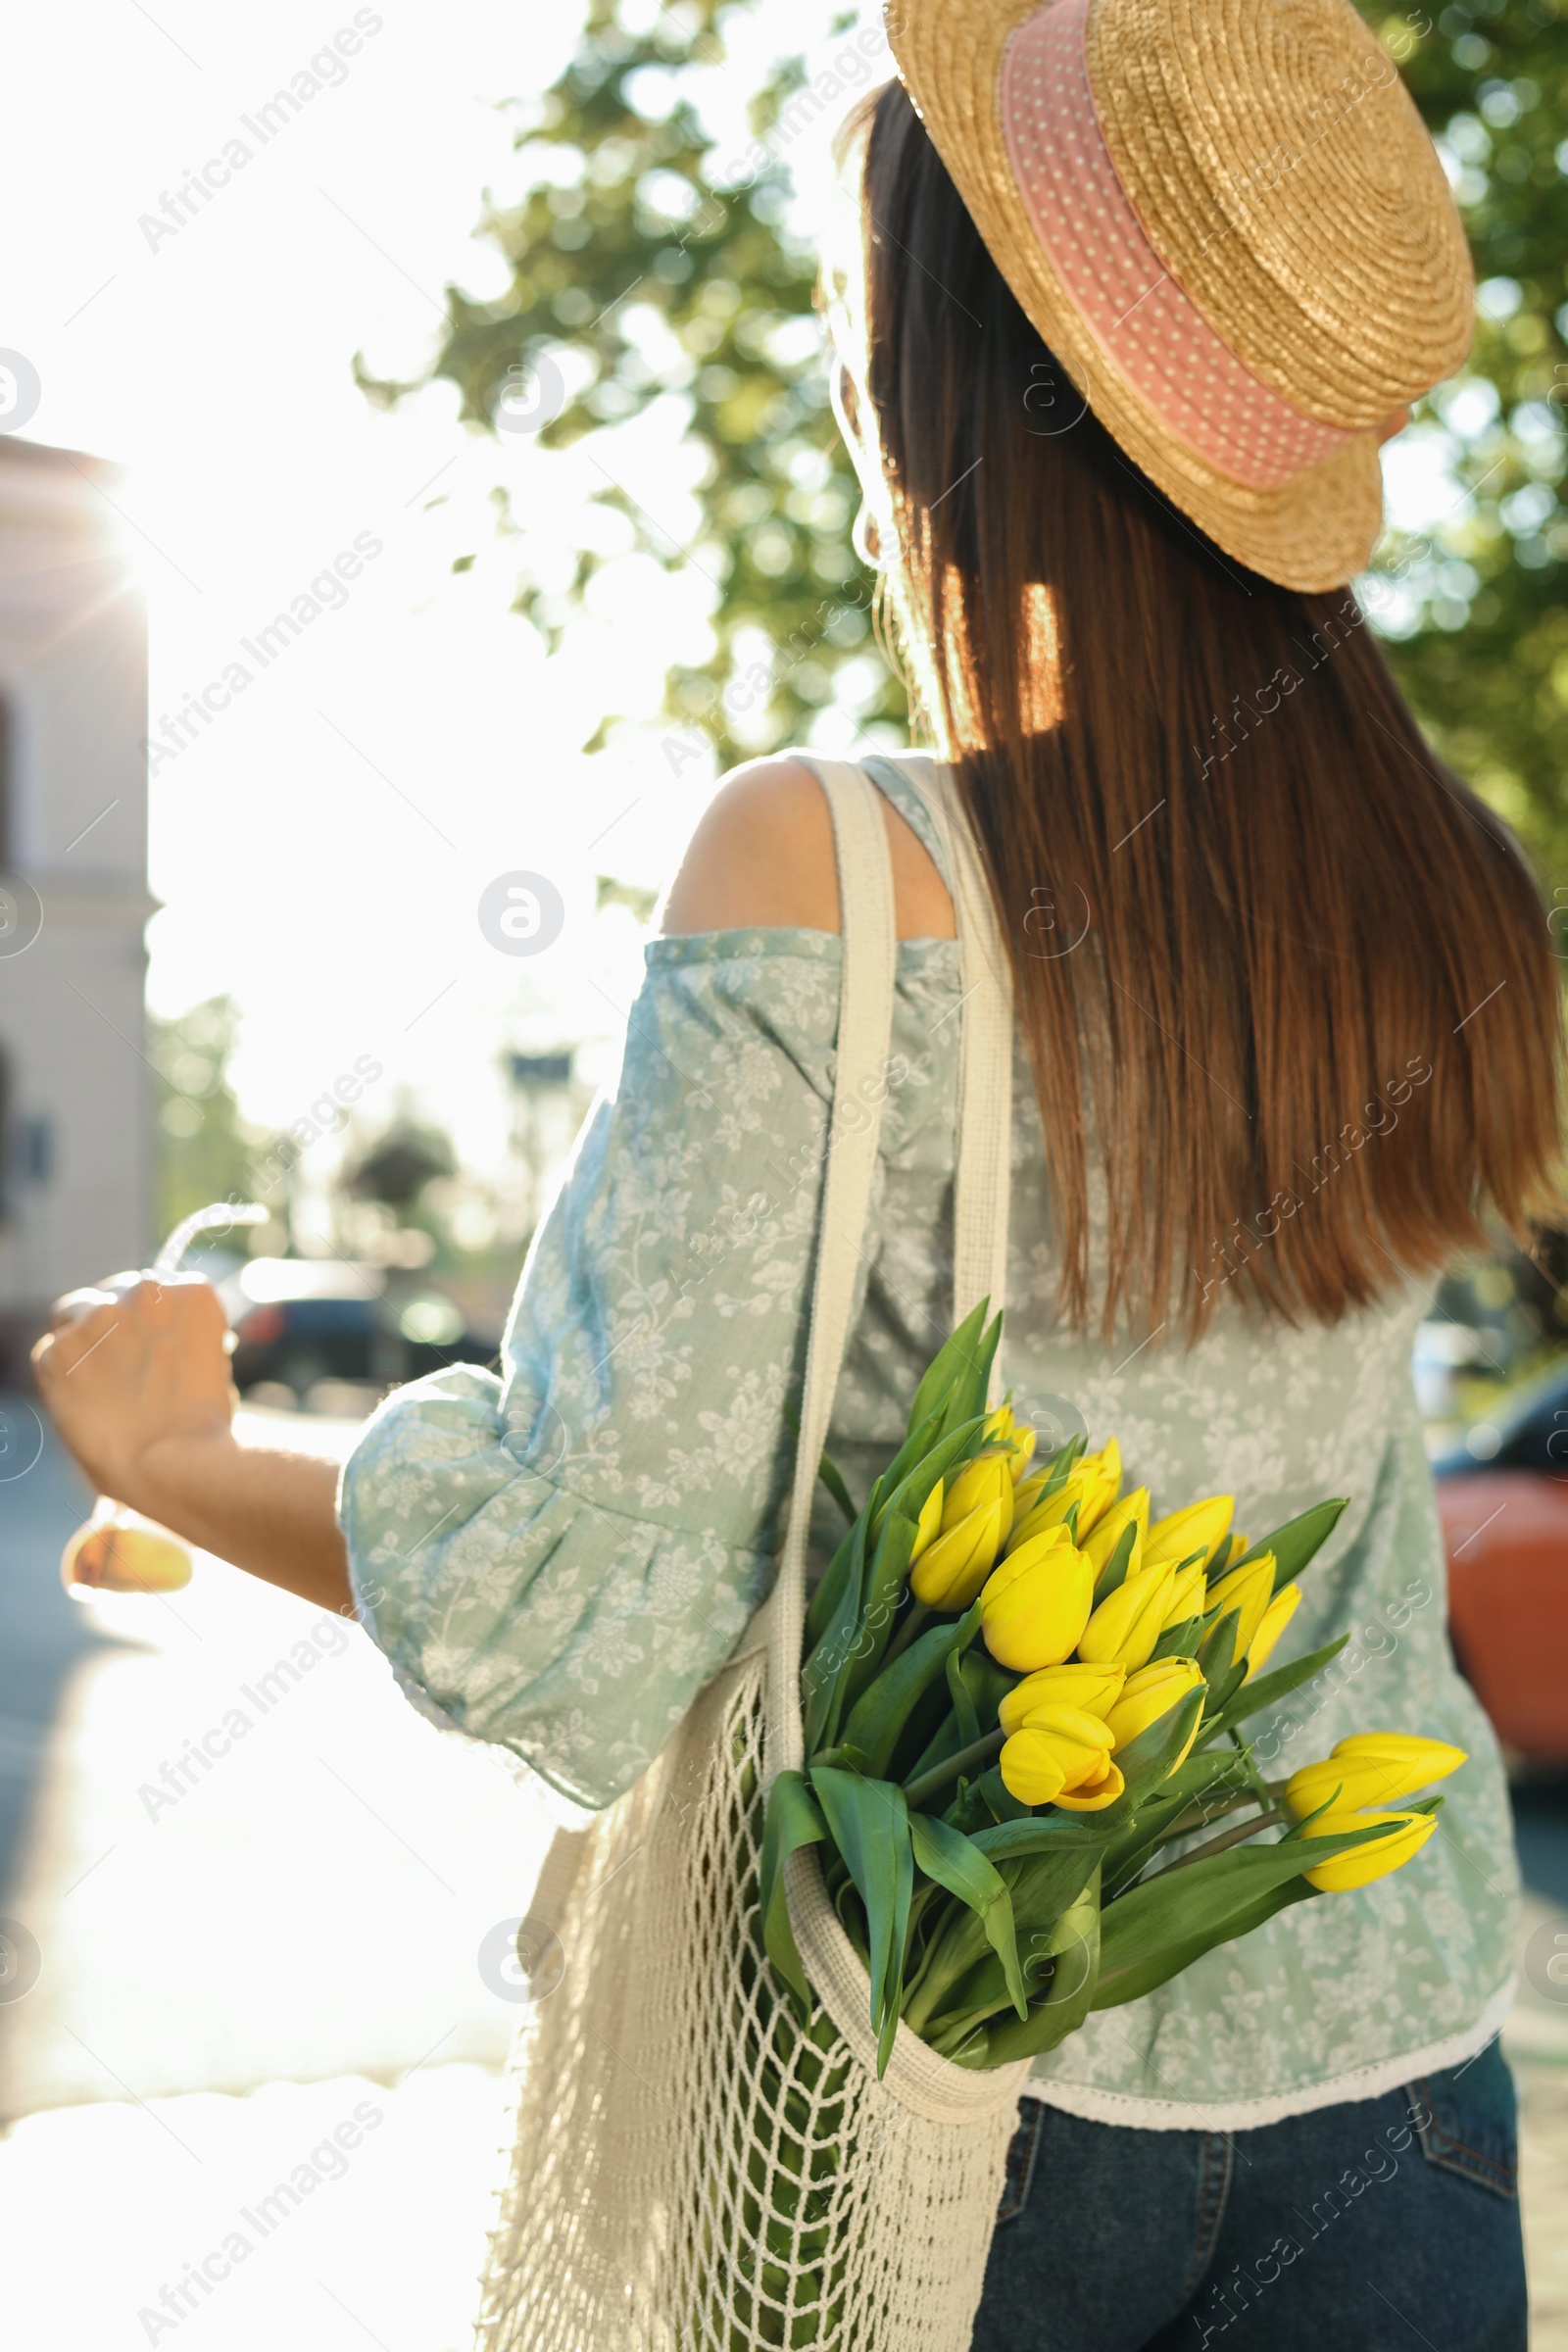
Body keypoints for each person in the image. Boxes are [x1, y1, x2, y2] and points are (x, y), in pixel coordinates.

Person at [34, 1, 1556, 2343]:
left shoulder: (831, 866)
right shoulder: (1443, 894)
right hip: (1404, 2079)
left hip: (945, 2117)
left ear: (945, 397)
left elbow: (586, 1598)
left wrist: (181, 1451)